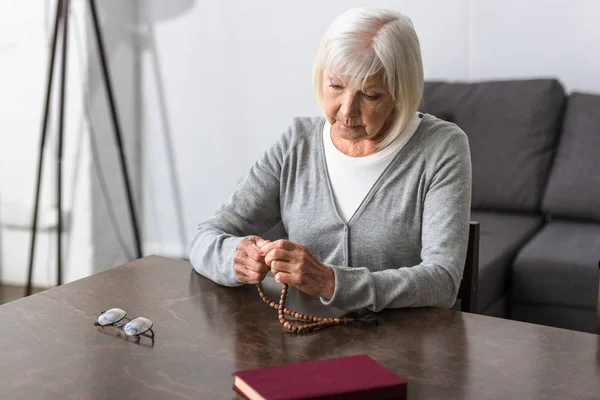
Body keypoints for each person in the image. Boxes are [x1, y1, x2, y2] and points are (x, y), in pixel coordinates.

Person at [190, 8, 471, 312]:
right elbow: (206, 237)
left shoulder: (441, 147)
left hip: (403, 348)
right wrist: (234, 256)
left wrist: (331, 283)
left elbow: (443, 281)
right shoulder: (296, 143)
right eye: (336, 86)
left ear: (401, 93)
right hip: (305, 341)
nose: (346, 110)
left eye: (370, 95)